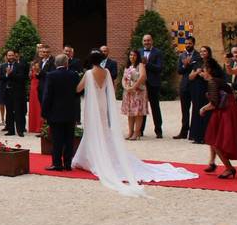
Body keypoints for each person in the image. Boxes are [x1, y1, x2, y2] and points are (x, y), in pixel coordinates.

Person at [73, 50, 197, 196]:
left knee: (93, 129)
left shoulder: (88, 74)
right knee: (104, 128)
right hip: (102, 104)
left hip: (93, 106)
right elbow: (110, 89)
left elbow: (78, 88)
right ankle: (98, 155)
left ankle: (90, 158)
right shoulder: (106, 72)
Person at [201, 57, 237, 178]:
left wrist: (203, 109)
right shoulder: (217, 81)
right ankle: (215, 163)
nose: (202, 73)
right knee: (215, 139)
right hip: (228, 110)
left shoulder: (212, 82)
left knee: (216, 142)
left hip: (226, 112)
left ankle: (229, 168)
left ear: (209, 70)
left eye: (203, 70)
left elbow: (214, 103)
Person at [42, 54, 81, 171]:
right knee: (69, 139)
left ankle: (57, 163)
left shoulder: (51, 75)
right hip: (70, 111)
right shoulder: (74, 75)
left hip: (55, 112)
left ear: (55, 64)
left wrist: (44, 112)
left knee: (57, 140)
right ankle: (68, 164)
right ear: (67, 63)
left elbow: (47, 96)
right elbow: (78, 92)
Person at [188, 46, 216, 144]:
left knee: (206, 112)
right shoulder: (197, 63)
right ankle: (197, 136)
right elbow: (190, 77)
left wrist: (205, 75)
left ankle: (206, 136)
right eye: (201, 51)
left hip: (208, 89)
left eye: (205, 51)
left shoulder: (212, 63)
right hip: (197, 89)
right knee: (196, 110)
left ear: (208, 52)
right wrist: (197, 72)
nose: (202, 53)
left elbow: (215, 76)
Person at [175, 37, 201, 140]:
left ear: (193, 44)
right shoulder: (182, 55)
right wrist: (185, 65)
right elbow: (179, 71)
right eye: (186, 43)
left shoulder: (198, 56)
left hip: (195, 85)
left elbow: (198, 68)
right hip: (184, 85)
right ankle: (184, 131)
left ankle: (194, 132)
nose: (187, 45)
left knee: (195, 109)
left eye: (189, 43)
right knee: (184, 110)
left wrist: (190, 65)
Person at [139, 34, 164, 138]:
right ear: (142, 42)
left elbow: (159, 68)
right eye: (145, 40)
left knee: (155, 107)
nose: (146, 42)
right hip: (141, 84)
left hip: (153, 83)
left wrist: (147, 64)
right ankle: (140, 130)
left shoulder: (158, 52)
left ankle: (158, 131)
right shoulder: (139, 51)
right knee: (142, 107)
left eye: (148, 40)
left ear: (152, 41)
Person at [121, 50, 148, 140]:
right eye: (131, 55)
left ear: (137, 56)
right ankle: (130, 132)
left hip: (139, 92)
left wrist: (134, 87)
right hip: (129, 93)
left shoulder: (140, 65)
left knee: (138, 113)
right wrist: (126, 87)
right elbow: (123, 79)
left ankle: (137, 133)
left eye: (134, 55)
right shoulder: (127, 66)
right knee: (130, 113)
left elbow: (143, 76)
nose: (132, 56)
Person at [1, 50, 27, 137]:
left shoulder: (20, 66)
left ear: (14, 56)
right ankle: (11, 130)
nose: (11, 57)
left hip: (17, 92)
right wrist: (6, 75)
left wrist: (11, 74)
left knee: (18, 111)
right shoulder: (3, 66)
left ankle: (20, 131)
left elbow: (21, 78)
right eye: (9, 55)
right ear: (6, 56)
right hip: (7, 92)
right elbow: (1, 78)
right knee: (9, 112)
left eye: (12, 55)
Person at [28, 56, 42, 136]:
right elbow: (30, 77)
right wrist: (30, 73)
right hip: (33, 87)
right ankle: (33, 127)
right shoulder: (32, 64)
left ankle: (39, 127)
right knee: (33, 107)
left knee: (39, 107)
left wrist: (37, 72)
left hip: (39, 86)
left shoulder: (42, 65)